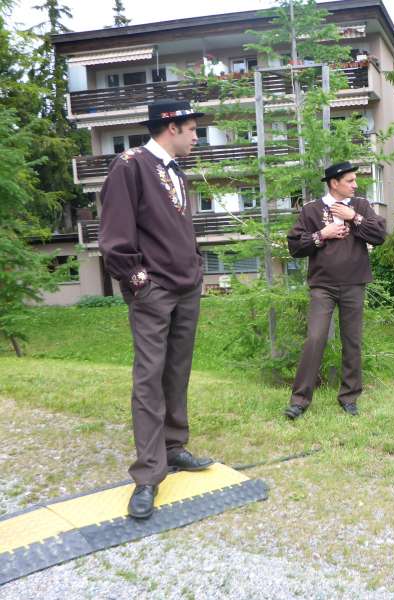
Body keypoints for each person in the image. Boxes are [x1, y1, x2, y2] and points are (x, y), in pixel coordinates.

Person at [99, 98, 214, 519]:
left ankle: (173, 446)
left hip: (186, 287)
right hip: (154, 291)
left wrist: (196, 270)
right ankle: (148, 474)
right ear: (172, 127)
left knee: (177, 371)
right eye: (193, 129)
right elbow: (114, 236)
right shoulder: (130, 166)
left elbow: (180, 230)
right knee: (149, 378)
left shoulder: (177, 171)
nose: (197, 136)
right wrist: (139, 283)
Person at [285, 161, 387, 419]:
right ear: (334, 183)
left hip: (354, 284)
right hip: (323, 286)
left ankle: (349, 397)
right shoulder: (311, 210)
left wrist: (354, 217)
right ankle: (299, 401)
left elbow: (379, 235)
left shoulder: (360, 205)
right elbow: (295, 246)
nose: (355, 185)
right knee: (315, 338)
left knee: (352, 341)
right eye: (350, 181)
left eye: (355, 180)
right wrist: (323, 234)